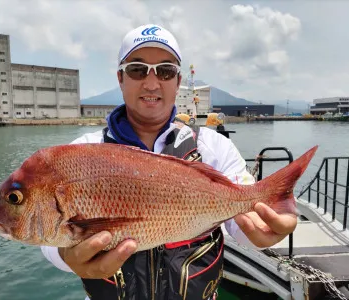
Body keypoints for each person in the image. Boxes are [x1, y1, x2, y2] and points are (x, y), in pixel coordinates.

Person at [41, 24, 297, 300]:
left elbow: (243, 226)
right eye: (137, 69)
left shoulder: (214, 147)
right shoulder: (82, 153)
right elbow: (50, 234)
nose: (152, 83)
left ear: (177, 81)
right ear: (120, 78)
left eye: (165, 71)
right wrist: (67, 257)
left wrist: (266, 227)